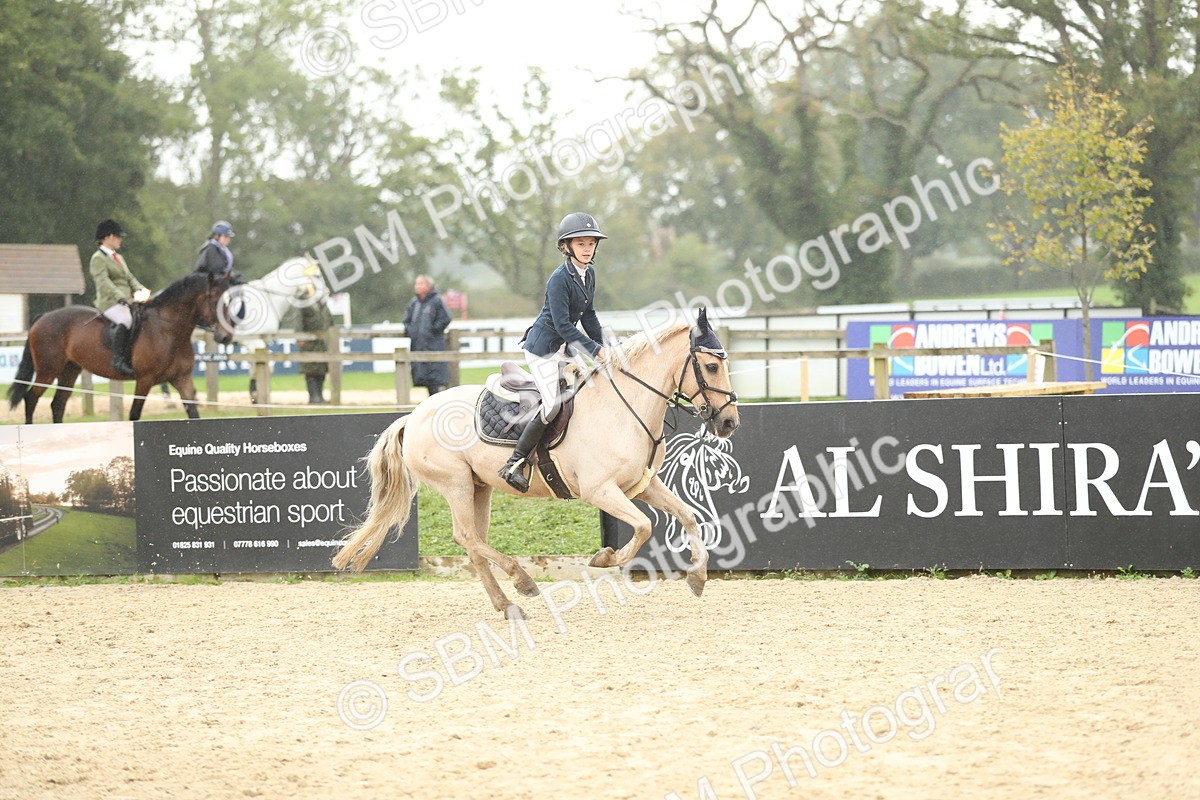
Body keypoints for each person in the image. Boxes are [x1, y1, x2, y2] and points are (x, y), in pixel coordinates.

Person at [499, 212, 608, 492]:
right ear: (566, 247)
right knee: (552, 405)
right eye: (580, 243)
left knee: (588, 391)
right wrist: (594, 350)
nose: (587, 248)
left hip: (563, 347)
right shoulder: (559, 279)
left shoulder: (589, 274)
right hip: (542, 350)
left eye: (590, 243)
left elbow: (590, 316)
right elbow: (562, 325)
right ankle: (514, 462)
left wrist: (605, 347)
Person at [89, 219, 150, 377]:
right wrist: (120, 296)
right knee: (126, 320)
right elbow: (103, 282)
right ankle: (118, 360)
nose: (120, 239)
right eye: (118, 236)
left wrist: (141, 289)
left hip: (126, 300)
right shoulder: (98, 258)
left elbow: (129, 278)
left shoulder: (119, 258)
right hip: (109, 302)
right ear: (108, 237)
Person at [403, 275, 452, 397]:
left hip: (433, 346)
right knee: (423, 377)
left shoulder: (436, 301)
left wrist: (432, 331)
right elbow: (406, 321)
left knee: (435, 379)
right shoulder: (414, 303)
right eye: (416, 284)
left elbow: (445, 318)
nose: (417, 286)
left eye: (420, 284)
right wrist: (412, 332)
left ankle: (439, 407)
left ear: (428, 286)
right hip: (418, 346)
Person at [297, 270, 333, 405]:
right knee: (311, 370)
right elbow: (299, 320)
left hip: (323, 341)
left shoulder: (322, 300)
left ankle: (320, 396)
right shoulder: (303, 299)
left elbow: (328, 319)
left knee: (322, 369)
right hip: (309, 341)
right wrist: (300, 337)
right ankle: (313, 397)